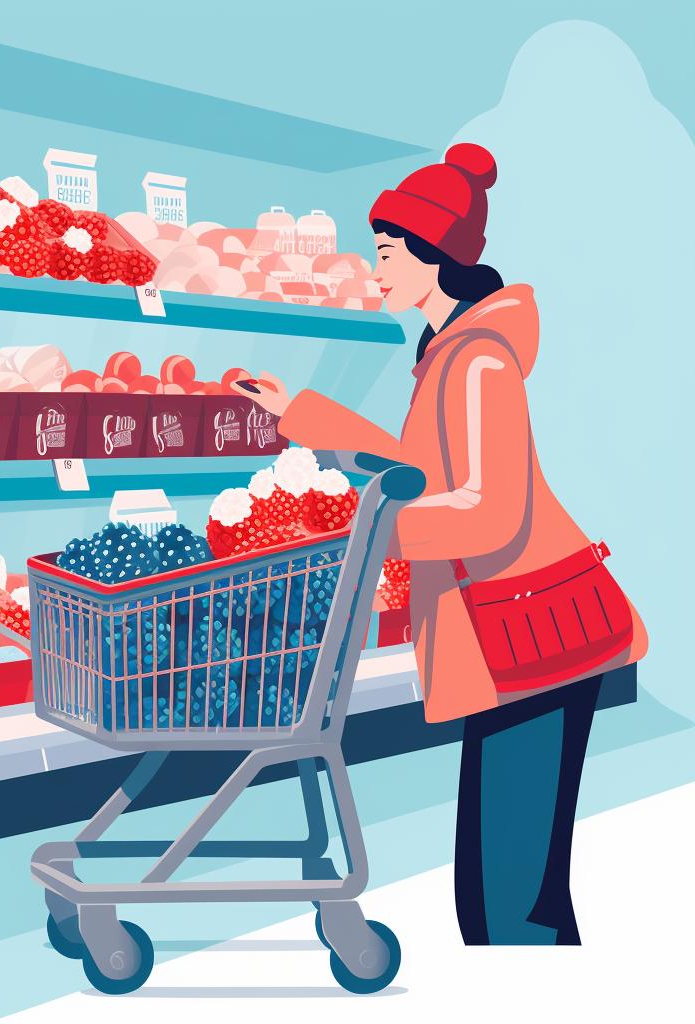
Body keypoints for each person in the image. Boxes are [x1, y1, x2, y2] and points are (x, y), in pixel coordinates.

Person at [235, 143, 648, 945]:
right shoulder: (447, 354)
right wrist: (304, 415)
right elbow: (422, 472)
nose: (376, 268)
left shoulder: (481, 361)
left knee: (508, 899)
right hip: (512, 636)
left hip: (531, 640)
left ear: (435, 256)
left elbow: (492, 513)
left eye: (388, 252)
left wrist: (368, 530)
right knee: (508, 887)